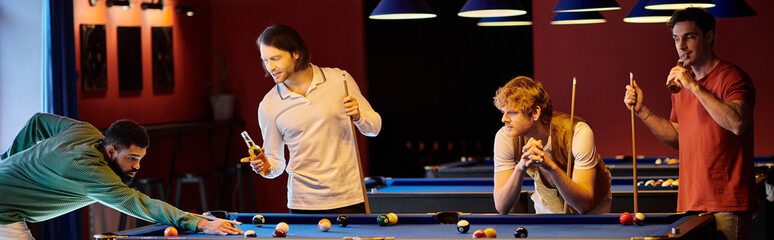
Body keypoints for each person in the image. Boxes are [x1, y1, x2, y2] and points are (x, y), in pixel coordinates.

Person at [623, 8, 756, 240]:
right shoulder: (681, 85)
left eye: (689, 37)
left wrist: (694, 86)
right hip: (689, 202)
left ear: (709, 37)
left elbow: (736, 122)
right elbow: (677, 137)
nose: (681, 46)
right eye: (676, 38)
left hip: (728, 203)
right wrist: (642, 111)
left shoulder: (732, 77)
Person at [0, 113, 242, 239]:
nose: (137, 167)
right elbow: (140, 204)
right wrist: (197, 222)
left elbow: (38, 121)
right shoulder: (91, 173)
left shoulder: (83, 131)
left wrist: (6, 162)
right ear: (111, 151)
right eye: (132, 158)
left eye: (140, 159)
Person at [246, 25, 382, 213]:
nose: (270, 67)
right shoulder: (269, 105)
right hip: (302, 203)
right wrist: (265, 166)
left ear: (295, 53)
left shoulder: (339, 80)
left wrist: (359, 116)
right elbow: (275, 165)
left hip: (350, 197)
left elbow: (374, 128)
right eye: (265, 60)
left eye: (276, 58)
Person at [492, 76, 612, 215]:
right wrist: (520, 168)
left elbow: (584, 205)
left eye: (512, 112)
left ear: (535, 113)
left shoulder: (578, 132)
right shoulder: (505, 137)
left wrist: (551, 167)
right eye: (503, 112)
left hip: (593, 209)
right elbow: (501, 206)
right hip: (547, 205)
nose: (504, 119)